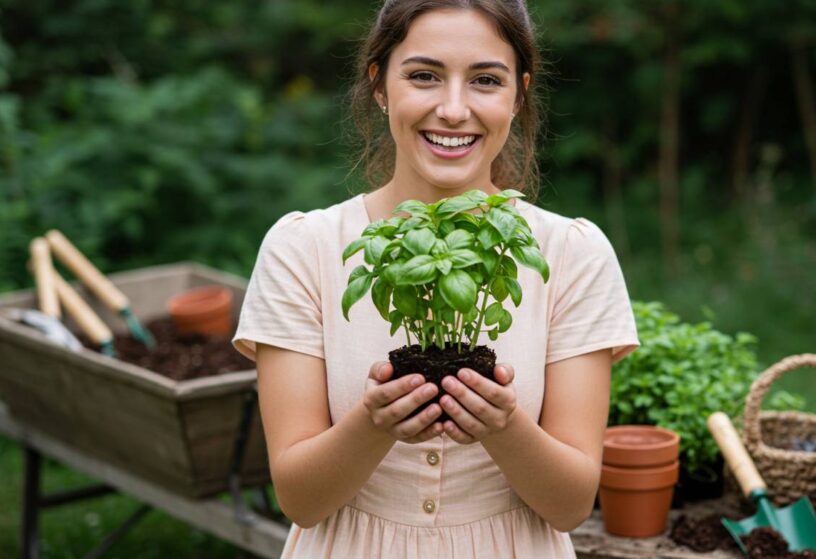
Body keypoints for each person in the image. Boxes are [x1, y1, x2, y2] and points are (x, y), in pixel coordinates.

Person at [232, 1, 638, 557]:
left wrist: (505, 425)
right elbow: (300, 500)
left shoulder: (569, 254)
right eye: (423, 76)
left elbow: (571, 505)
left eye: (485, 81)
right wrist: (373, 424)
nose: (452, 109)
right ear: (379, 85)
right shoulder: (304, 249)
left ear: (518, 96)